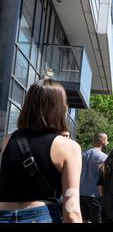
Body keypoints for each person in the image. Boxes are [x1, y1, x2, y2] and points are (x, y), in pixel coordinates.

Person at [0, 79, 82, 223]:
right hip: (41, 216)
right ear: (59, 108)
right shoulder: (69, 147)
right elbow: (71, 210)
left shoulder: (8, 140)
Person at [80, 132, 109, 223]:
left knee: (83, 220)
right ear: (102, 141)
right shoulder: (104, 158)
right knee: (97, 220)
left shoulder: (82, 154)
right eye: (107, 140)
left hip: (80, 193)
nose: (107, 142)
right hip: (94, 194)